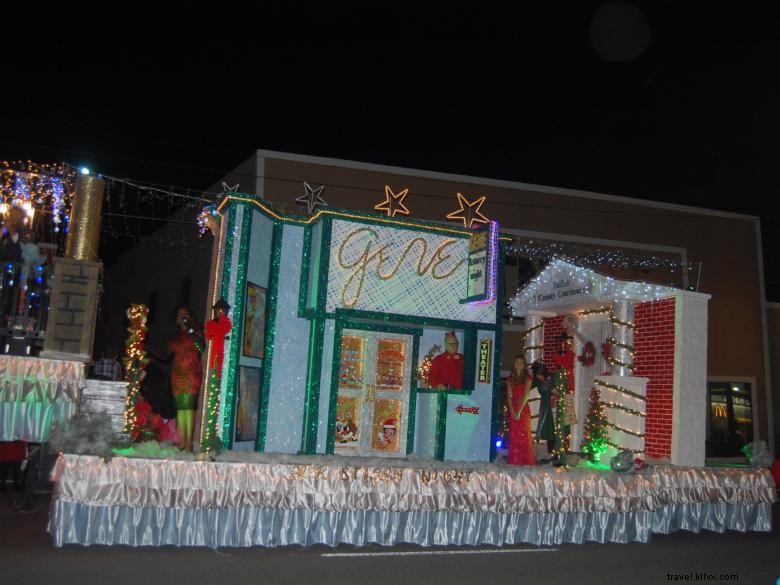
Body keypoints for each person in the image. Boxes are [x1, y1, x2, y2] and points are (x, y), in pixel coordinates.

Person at [169, 307, 203, 451]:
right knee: (181, 408)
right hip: (177, 374)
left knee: (189, 407)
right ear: (176, 319)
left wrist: (191, 330)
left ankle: (189, 442)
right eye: (179, 314)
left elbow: (201, 348)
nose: (182, 316)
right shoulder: (175, 336)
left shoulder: (196, 332)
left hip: (191, 373)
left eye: (185, 314)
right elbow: (167, 356)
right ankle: (183, 441)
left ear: (191, 317)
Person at [506, 354, 536, 465]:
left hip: (523, 409)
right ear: (514, 364)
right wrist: (512, 410)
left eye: (521, 363)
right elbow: (509, 396)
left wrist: (519, 411)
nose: (519, 365)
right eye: (517, 362)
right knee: (514, 435)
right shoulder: (510, 378)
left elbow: (526, 395)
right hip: (514, 407)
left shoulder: (528, 378)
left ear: (524, 365)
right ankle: (515, 461)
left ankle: (525, 461)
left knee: (524, 435)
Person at [531, 360, 555, 460]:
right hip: (539, 408)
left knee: (550, 430)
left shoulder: (550, 380)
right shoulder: (536, 382)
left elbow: (552, 391)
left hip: (549, 407)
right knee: (541, 429)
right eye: (537, 374)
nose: (539, 376)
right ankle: (537, 453)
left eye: (540, 374)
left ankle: (550, 452)